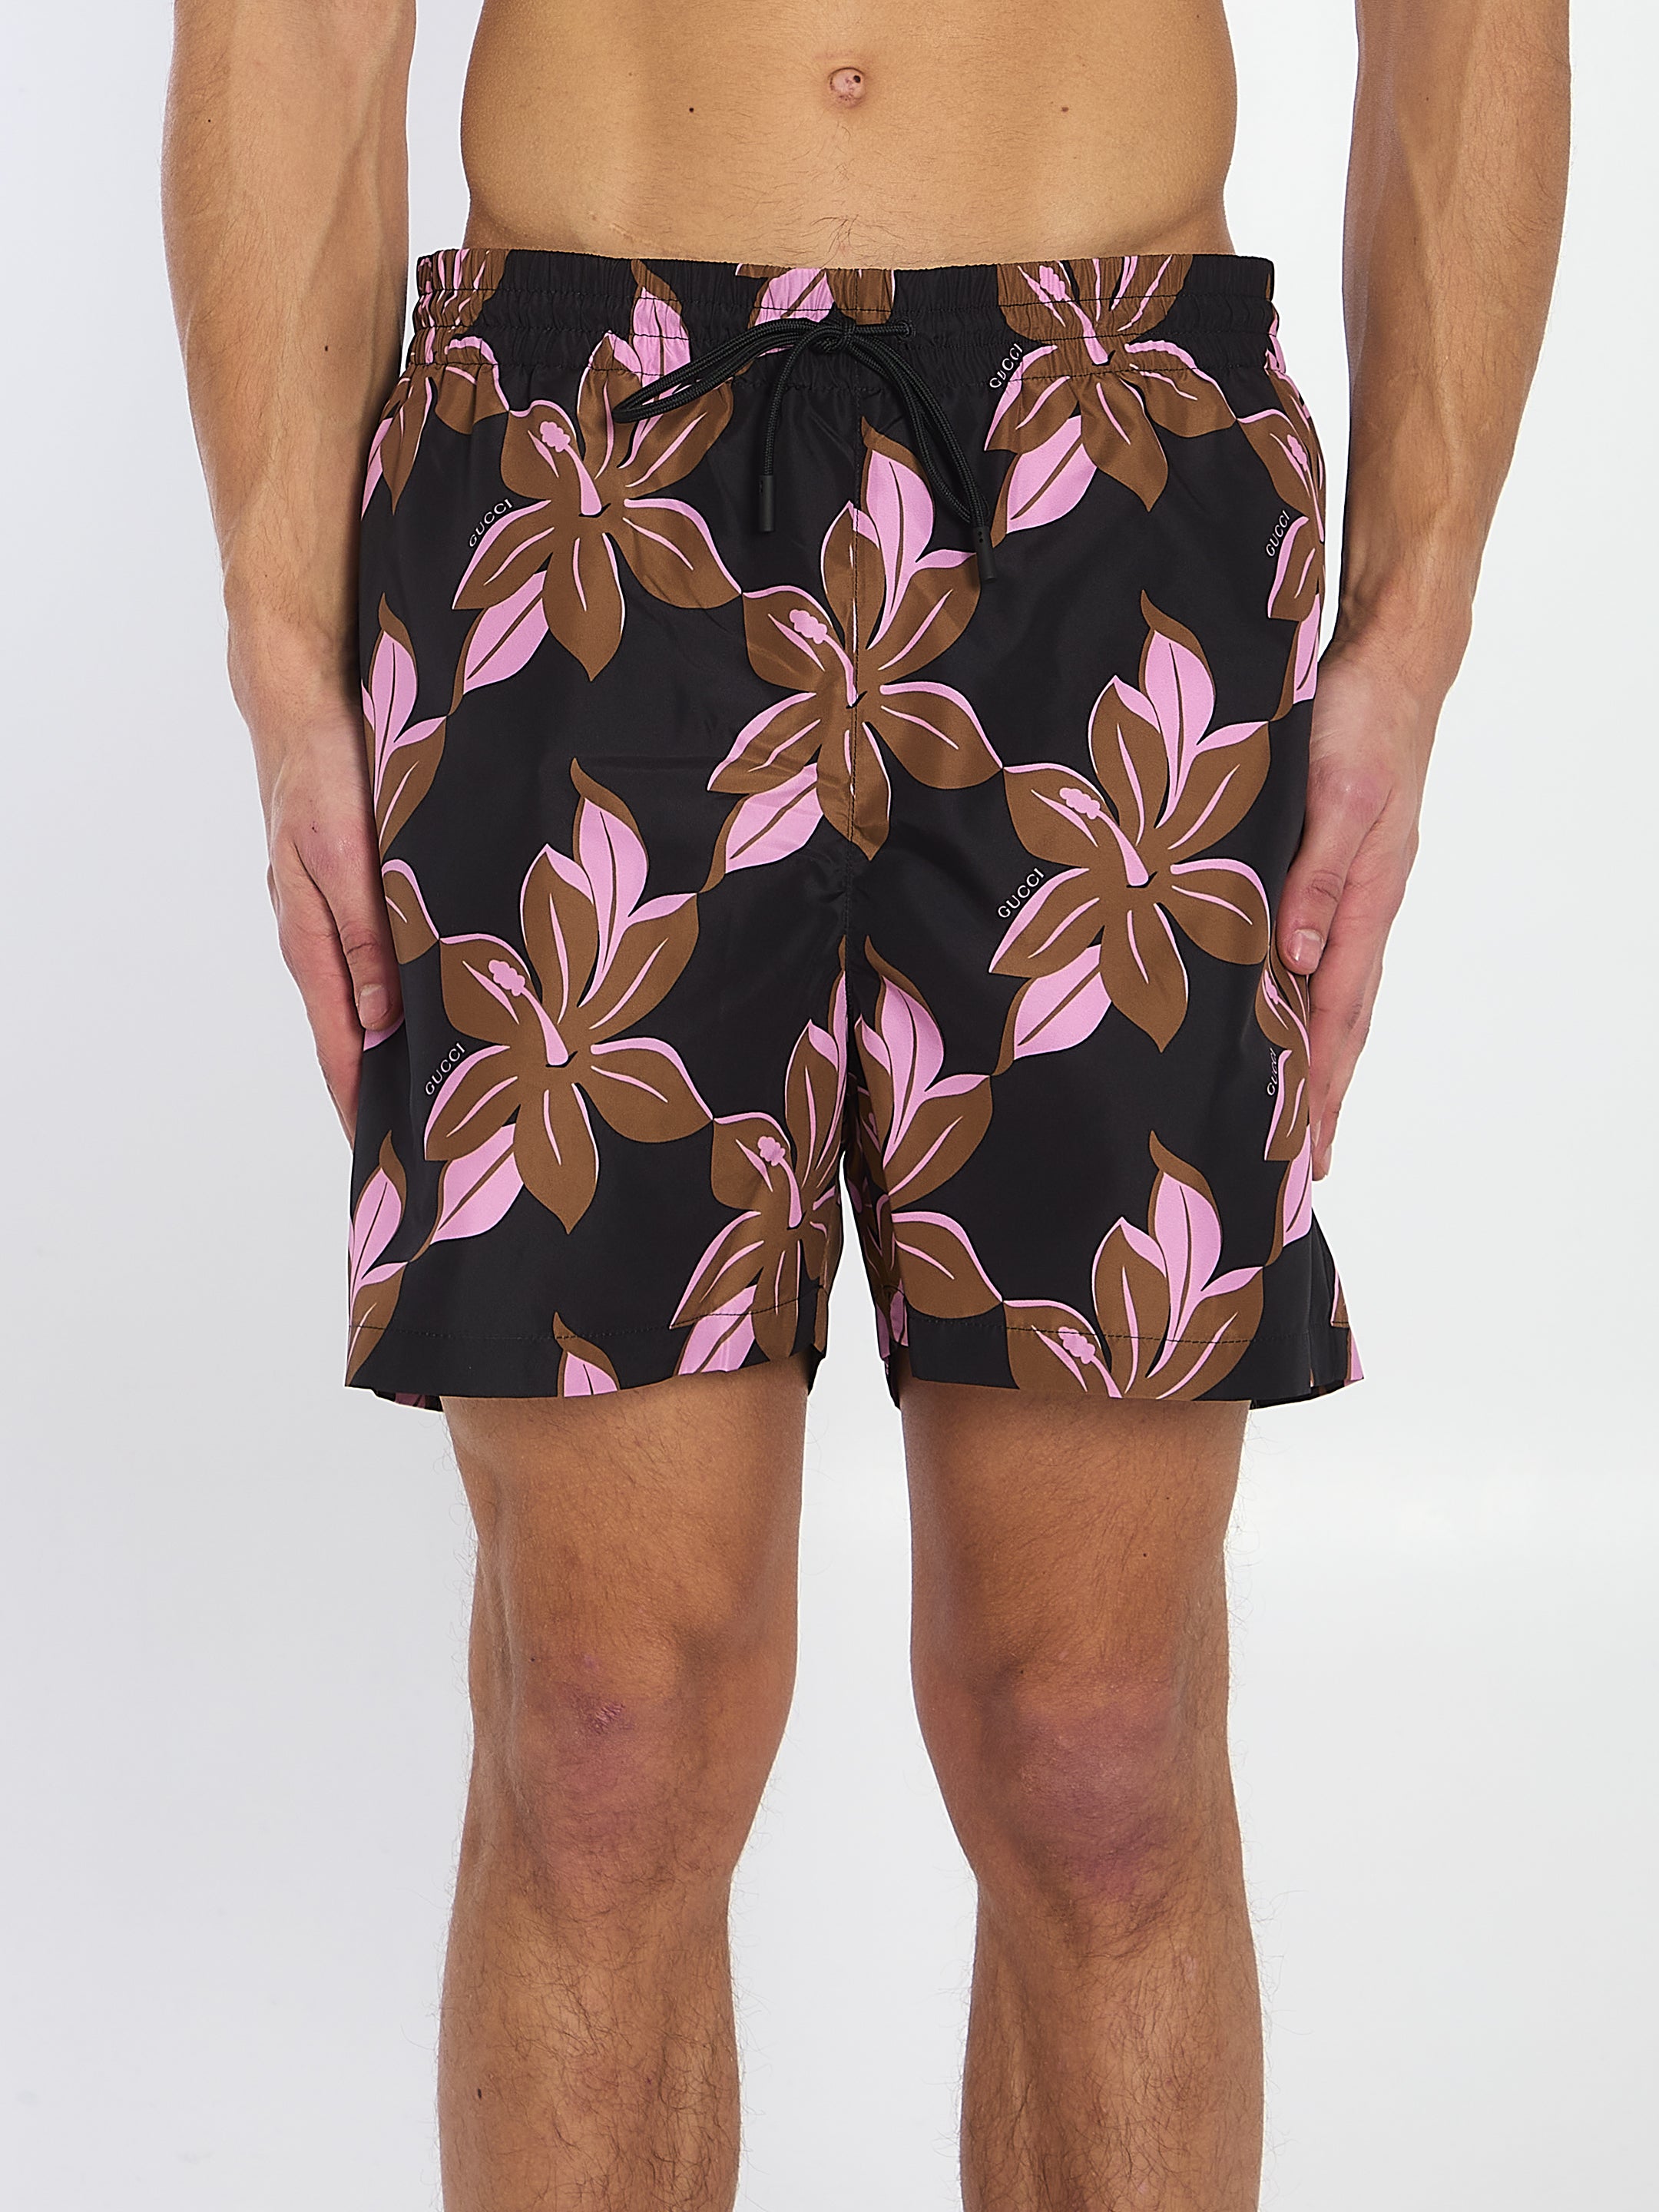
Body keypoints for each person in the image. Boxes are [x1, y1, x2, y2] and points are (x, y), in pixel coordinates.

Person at [162, 2, 1568, 2203]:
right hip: (580, 458)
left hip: (1111, 457)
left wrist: (1418, 608)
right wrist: (278, 636)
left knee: (1097, 1739)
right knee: (605, 1731)